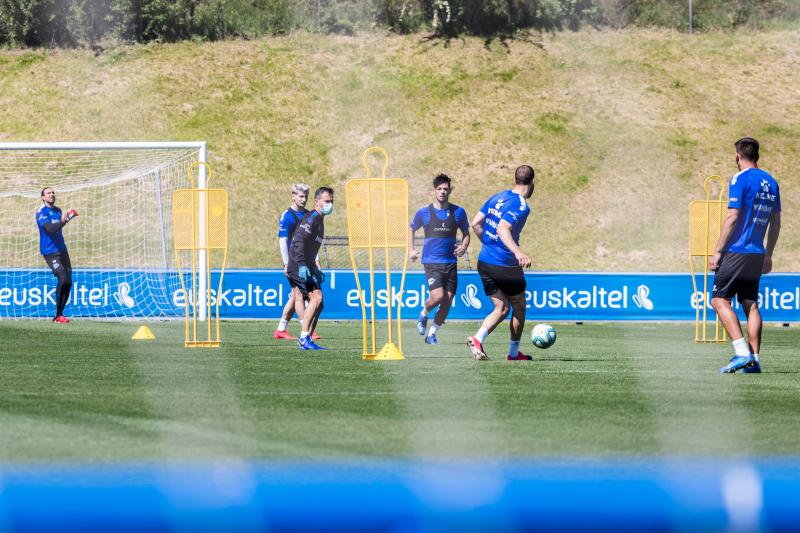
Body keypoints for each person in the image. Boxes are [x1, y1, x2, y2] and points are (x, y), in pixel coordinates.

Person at [711, 137, 781, 374]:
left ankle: (741, 353)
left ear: (738, 156)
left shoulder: (739, 179)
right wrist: (768, 254)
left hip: (737, 250)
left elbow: (732, 216)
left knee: (719, 300)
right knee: (750, 304)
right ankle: (755, 360)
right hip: (757, 253)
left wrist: (718, 250)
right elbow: (776, 222)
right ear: (757, 156)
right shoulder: (771, 182)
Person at [466, 165, 535, 361]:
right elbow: (503, 228)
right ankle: (513, 354)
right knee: (519, 306)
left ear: (515, 179)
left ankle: (477, 339)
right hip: (505, 265)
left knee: (502, 308)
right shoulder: (521, 205)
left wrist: (489, 245)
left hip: (485, 262)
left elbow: (475, 224)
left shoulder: (497, 197)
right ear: (532, 183)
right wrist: (517, 252)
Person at [408, 174, 470, 344]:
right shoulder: (424, 212)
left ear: (450, 190)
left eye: (445, 189)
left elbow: (466, 234)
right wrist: (411, 250)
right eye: (439, 189)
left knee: (448, 301)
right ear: (434, 190)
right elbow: (411, 229)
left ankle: (432, 334)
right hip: (432, 262)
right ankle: (423, 314)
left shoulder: (458, 212)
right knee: (437, 297)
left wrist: (464, 246)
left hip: (451, 263)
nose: (442, 192)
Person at [286, 187, 334, 350]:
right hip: (297, 265)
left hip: (306, 265)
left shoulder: (320, 220)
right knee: (316, 298)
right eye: (327, 201)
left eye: (332, 201)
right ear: (317, 202)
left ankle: (307, 339)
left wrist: (315, 268)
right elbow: (298, 242)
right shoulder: (311, 218)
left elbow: (310, 248)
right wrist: (301, 265)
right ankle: (304, 338)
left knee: (319, 304)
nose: (330, 205)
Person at [275, 183, 320, 341]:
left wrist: (316, 260)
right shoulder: (287, 215)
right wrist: (286, 263)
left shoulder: (309, 215)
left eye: (306, 196)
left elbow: (312, 242)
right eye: (301, 196)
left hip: (305, 262)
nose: (304, 199)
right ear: (293, 196)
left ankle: (281, 329)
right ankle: (306, 330)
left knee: (295, 296)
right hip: (293, 262)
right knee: (299, 295)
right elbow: (282, 240)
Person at [36, 187, 78, 323]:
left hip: (62, 249)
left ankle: (60, 314)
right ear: (43, 197)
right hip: (50, 252)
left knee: (69, 281)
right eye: (48, 193)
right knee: (63, 278)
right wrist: (66, 220)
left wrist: (65, 219)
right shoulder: (41, 212)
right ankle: (58, 314)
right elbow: (50, 229)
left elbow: (58, 226)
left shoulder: (58, 210)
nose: (51, 194)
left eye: (53, 192)